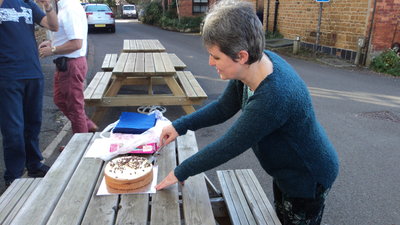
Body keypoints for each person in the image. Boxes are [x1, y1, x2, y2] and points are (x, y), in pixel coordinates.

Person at [155, 0, 339, 224]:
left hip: (307, 177)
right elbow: (223, 107)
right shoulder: (253, 67)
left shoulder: (274, 96)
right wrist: (178, 126)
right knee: (280, 216)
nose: (210, 62)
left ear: (241, 56)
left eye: (216, 56)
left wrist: (181, 171)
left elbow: (230, 145)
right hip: (286, 170)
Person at [0, 0, 58, 187]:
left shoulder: (27, 3)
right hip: (8, 75)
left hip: (33, 72)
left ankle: (34, 164)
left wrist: (48, 6)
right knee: (13, 130)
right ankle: (13, 177)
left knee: (33, 124)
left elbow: (53, 25)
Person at [38, 0, 97, 134]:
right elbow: (67, 35)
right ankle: (85, 125)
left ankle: (79, 146)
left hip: (72, 64)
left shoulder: (70, 8)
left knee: (75, 109)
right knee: (59, 100)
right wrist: (51, 42)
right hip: (65, 64)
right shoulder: (64, 7)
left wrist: (52, 50)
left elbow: (76, 44)